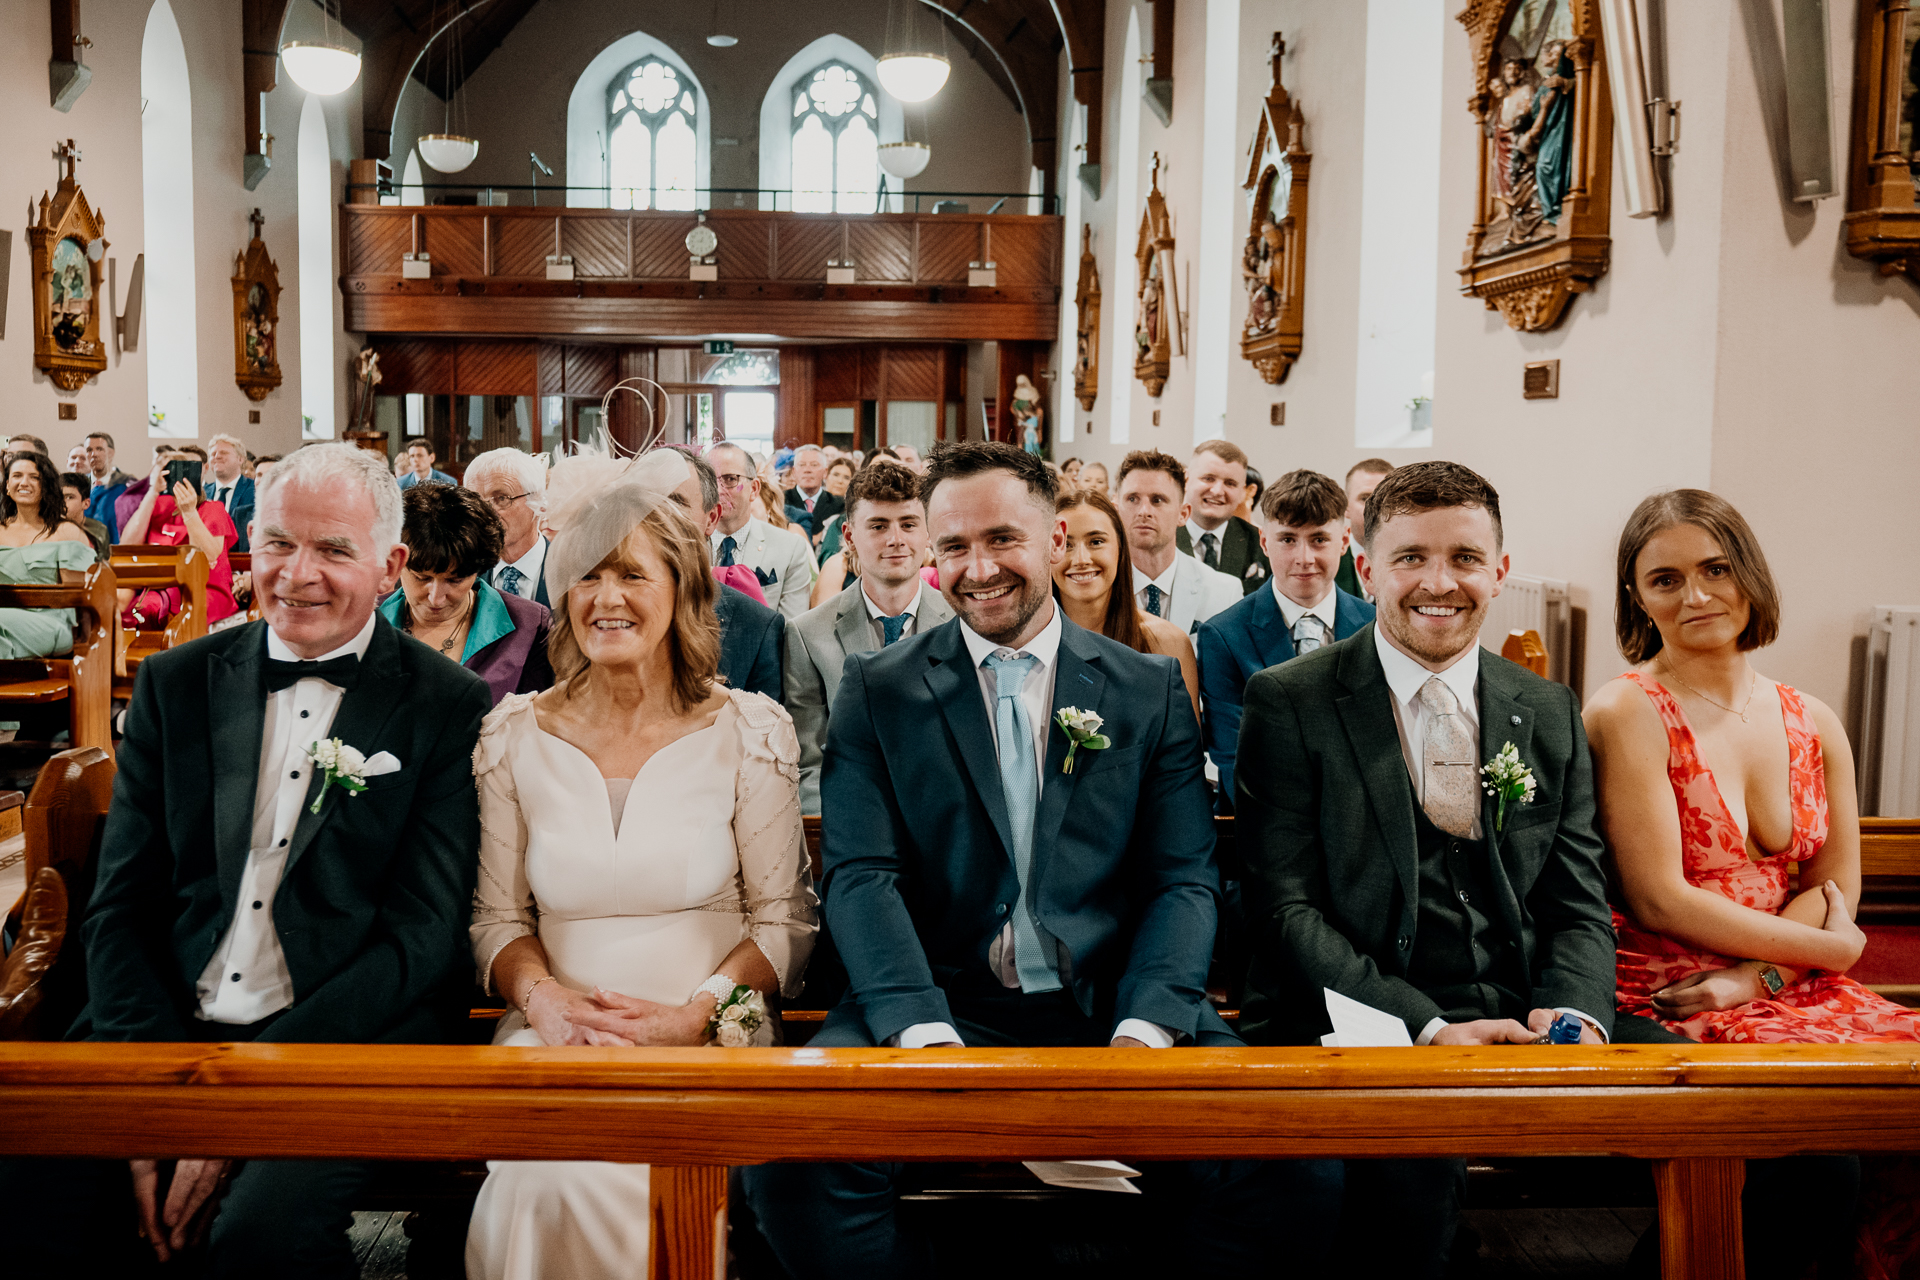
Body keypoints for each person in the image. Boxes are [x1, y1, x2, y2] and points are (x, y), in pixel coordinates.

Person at [742, 441, 1340, 1279]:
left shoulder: (1144, 687)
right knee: (789, 1161)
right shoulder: (880, 690)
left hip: (1110, 998)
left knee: (1294, 1164)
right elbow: (860, 875)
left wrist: (1144, 1029)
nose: (977, 568)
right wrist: (921, 1031)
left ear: (1056, 540)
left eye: (1001, 540)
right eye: (953, 547)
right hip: (938, 996)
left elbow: (1182, 876)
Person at [0, 443, 491, 1276]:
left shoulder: (445, 704)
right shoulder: (176, 683)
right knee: (36, 1202)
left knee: (259, 1240)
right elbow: (121, 907)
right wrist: (162, 1095)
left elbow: (424, 935)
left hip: (339, 1043)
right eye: (277, 544)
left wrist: (246, 1095)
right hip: (160, 1025)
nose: (297, 575)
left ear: (389, 565)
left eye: (334, 550)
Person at [1234, 461, 1647, 1278]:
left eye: (1463, 558)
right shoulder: (1290, 701)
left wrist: (1572, 1020)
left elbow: (1576, 902)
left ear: (1499, 572)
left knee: (1806, 1160)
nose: (1438, 582)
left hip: (1529, 1012)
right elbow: (1287, 911)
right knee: (1412, 1171)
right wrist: (1427, 1026)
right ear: (1367, 568)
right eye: (1411, 557)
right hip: (1368, 1017)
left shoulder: (1548, 708)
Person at [465, 462, 816, 1280]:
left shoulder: (747, 730)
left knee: (636, 1170)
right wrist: (546, 1002)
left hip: (708, 1033)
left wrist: (696, 1014)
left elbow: (783, 922)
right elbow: (497, 922)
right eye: (587, 575)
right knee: (544, 1180)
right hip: (558, 1037)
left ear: (682, 590)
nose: (606, 597)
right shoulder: (515, 735)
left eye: (631, 573)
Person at [1586, 489, 1919, 1277]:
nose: (1697, 595)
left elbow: (1836, 887)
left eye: (1716, 569)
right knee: (1815, 1156)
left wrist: (1759, 977)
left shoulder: (1814, 718)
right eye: (1665, 579)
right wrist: (1827, 953)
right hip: (1664, 988)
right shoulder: (1628, 711)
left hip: (1781, 983)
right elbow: (1659, 896)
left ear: (1750, 576)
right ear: (1638, 597)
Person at [1196, 470, 1373, 812]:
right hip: (1262, 823)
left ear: (1345, 539)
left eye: (1319, 539)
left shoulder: (1375, 627)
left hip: (1360, 822)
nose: (1303, 558)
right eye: (1288, 540)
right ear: (1264, 542)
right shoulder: (1225, 635)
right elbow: (1233, 756)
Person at [785, 461, 952, 815]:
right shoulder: (807, 634)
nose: (896, 540)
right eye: (878, 526)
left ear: (928, 534)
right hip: (849, 821)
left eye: (908, 524)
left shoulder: (961, 622)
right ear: (849, 536)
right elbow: (809, 764)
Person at [378, 484, 553, 706]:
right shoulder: (366, 620)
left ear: (479, 569)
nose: (435, 597)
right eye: (421, 578)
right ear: (397, 562)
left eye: (455, 580)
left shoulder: (529, 625)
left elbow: (541, 719)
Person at [1052, 486, 1200, 721]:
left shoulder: (1168, 644)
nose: (1080, 559)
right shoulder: (1025, 647)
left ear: (1121, 549)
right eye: (1066, 545)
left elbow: (1185, 752)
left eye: (1096, 541)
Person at [659, 448, 786, 702]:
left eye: (675, 502)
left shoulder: (755, 626)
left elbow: (760, 735)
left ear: (711, 519)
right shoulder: (601, 606)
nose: (657, 515)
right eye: (646, 501)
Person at [1114, 449, 1239, 633]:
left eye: (1157, 500)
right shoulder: (1098, 587)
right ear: (1116, 511)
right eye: (1132, 499)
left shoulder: (1223, 592)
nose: (1144, 511)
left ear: (1183, 514)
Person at [118, 447, 242, 630]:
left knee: (177, 614)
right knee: (136, 611)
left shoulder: (212, 509)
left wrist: (189, 513)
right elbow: (127, 546)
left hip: (204, 590)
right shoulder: (160, 506)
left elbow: (209, 558)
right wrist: (153, 491)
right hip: (159, 591)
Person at [0, 452, 96, 659]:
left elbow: (84, 597)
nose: (24, 482)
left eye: (34, 477)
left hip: (53, 623)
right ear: (7, 485)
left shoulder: (66, 532)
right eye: (17, 476)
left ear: (46, 486)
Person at [707, 441, 815, 618]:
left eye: (730, 480)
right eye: (710, 480)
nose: (718, 490)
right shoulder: (686, 545)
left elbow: (790, 629)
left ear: (754, 489)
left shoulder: (789, 548)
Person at [1176, 440, 1270, 596]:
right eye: (1208, 478)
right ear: (1186, 480)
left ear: (1242, 492)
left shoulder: (1260, 544)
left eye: (1230, 483)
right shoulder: (1161, 535)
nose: (1218, 491)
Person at [466, 447, 550, 608]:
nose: (486, 513)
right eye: (475, 502)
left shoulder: (573, 573)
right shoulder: (462, 573)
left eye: (501, 498)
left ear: (537, 499)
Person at [1338, 458, 1392, 599]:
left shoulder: (1416, 560)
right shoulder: (1323, 561)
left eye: (1385, 499)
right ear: (1345, 506)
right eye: (1365, 499)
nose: (1375, 509)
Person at [205, 433, 256, 552]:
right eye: (213, 454)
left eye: (224, 453)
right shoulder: (202, 493)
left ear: (240, 459)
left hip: (241, 560)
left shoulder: (254, 491)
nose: (217, 456)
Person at [82, 431, 134, 543]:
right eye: (89, 450)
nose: (94, 454)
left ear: (111, 453)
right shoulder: (79, 485)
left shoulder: (127, 484)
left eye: (99, 449)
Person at [785, 444, 843, 533]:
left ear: (825, 472)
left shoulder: (838, 505)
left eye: (814, 465)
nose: (807, 470)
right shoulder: (781, 501)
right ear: (794, 472)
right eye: (802, 465)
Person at [59, 470, 110, 560]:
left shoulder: (99, 531)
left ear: (86, 504)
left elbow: (104, 568)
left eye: (69, 497)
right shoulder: (46, 528)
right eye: (58, 497)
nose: (62, 503)